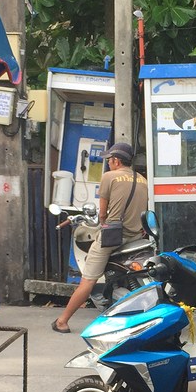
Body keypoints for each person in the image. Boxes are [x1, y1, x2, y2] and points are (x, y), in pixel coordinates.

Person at [53, 141, 149, 333]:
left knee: (87, 281)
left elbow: (103, 214)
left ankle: (62, 321)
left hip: (114, 238)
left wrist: (103, 222)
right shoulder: (143, 180)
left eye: (110, 160)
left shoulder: (109, 177)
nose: (108, 163)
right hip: (137, 237)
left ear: (116, 160)